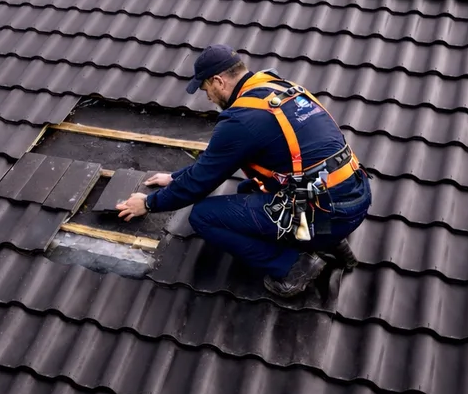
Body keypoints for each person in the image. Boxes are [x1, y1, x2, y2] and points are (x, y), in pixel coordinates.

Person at [116, 44, 372, 297]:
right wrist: (174, 177)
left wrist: (148, 204)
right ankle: (326, 240)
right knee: (249, 189)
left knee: (203, 217)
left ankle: (294, 266)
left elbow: (200, 182)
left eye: (206, 90)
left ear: (218, 81)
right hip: (352, 195)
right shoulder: (278, 88)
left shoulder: (242, 118)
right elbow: (217, 160)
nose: (208, 98)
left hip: (330, 213)